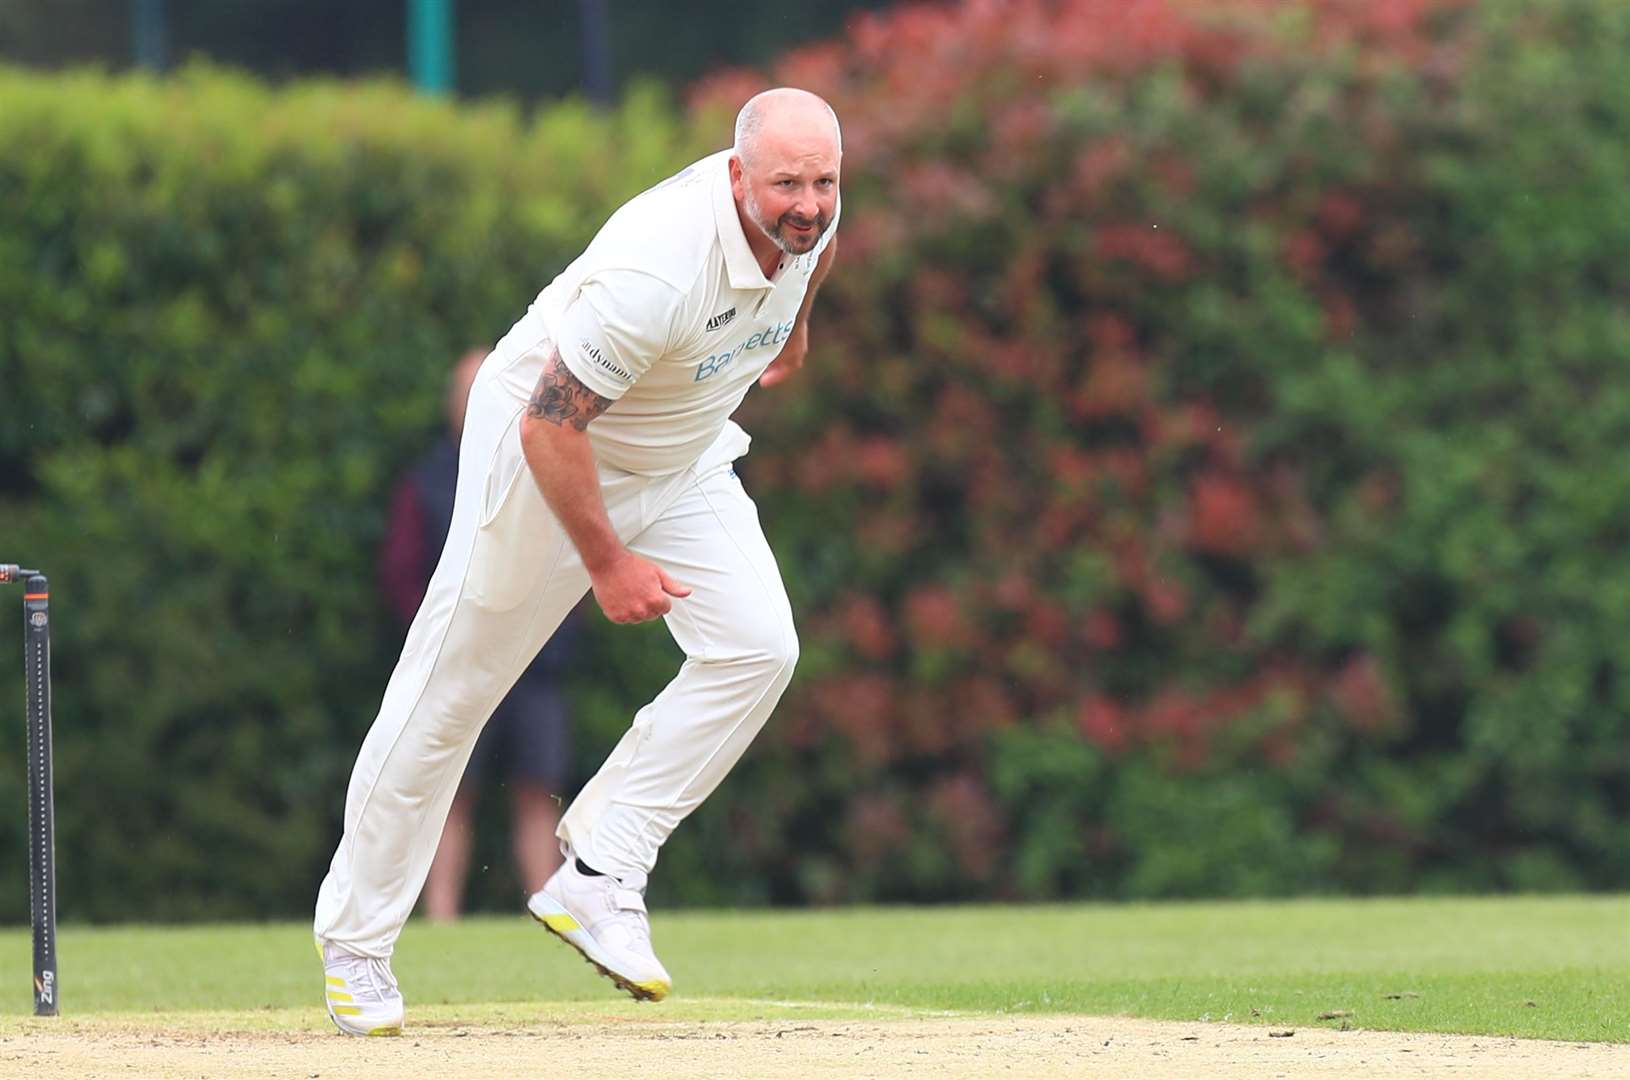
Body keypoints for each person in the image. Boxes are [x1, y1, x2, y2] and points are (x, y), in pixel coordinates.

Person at [313, 86, 842, 1036]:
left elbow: (815, 254)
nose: (806, 202)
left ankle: (600, 868)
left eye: (824, 181)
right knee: (453, 693)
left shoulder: (810, 220)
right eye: (785, 184)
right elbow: (550, 422)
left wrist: (792, 334)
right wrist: (607, 564)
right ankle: (356, 944)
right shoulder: (660, 267)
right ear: (735, 176)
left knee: (760, 646)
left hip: (680, 454)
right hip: (547, 450)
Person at [379, 347, 578, 921]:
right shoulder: (427, 484)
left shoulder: (544, 465)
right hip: (460, 663)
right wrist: (444, 639)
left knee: (538, 793)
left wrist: (552, 635)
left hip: (536, 667)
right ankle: (442, 919)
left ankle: (550, 911)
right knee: (448, 794)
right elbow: (402, 574)